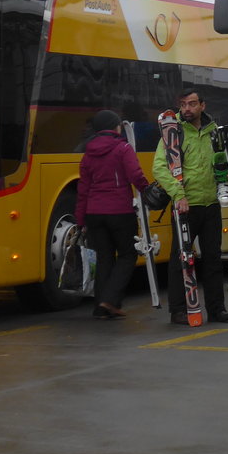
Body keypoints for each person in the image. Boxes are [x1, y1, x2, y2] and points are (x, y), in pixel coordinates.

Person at [152, 89, 228, 325]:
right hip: (185, 206)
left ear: (202, 105)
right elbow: (159, 168)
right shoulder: (174, 133)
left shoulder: (214, 131)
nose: (187, 109)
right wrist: (178, 195)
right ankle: (179, 310)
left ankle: (217, 309)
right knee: (180, 259)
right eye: (183, 105)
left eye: (191, 104)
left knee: (212, 258)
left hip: (211, 204)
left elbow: (226, 158)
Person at [76, 109, 151, 319]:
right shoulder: (123, 148)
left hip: (94, 212)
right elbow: (135, 175)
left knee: (104, 258)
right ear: (116, 127)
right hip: (119, 210)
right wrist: (147, 191)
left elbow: (83, 189)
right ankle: (110, 299)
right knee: (127, 254)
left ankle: (101, 307)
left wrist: (81, 219)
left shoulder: (88, 152)